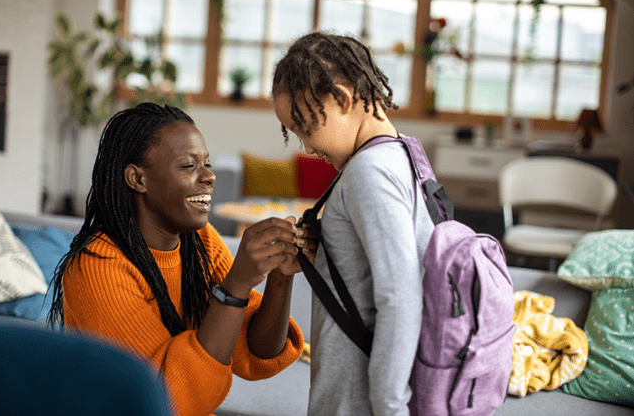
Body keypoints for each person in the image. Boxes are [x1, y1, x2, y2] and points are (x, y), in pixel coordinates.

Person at [48, 102, 316, 416]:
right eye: (189, 166)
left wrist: (281, 276)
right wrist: (235, 286)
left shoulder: (200, 243)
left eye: (207, 164)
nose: (209, 177)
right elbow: (162, 400)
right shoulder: (97, 267)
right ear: (138, 179)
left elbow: (257, 354)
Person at [271, 32, 436, 416]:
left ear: (343, 99)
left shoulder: (369, 173)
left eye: (306, 128)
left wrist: (390, 407)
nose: (308, 148)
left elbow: (401, 298)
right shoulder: (404, 154)